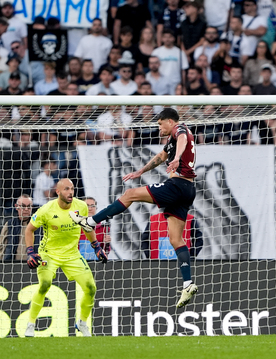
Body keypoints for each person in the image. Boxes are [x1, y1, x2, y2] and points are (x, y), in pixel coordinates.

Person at [70, 108, 199, 308]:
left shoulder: (180, 129)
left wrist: (176, 158)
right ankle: (188, 283)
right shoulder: (172, 141)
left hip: (177, 185)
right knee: (175, 239)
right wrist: (140, 171)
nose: (158, 127)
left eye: (160, 123)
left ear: (170, 122)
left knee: (130, 195)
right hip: (188, 189)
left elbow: (182, 139)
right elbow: (160, 157)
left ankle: (90, 222)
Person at [24, 179, 107, 337]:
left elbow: (86, 226)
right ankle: (31, 324)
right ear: (58, 191)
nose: (71, 192)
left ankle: (82, 323)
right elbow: (29, 230)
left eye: (73, 189)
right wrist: (30, 251)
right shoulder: (46, 210)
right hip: (49, 253)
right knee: (45, 285)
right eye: (67, 189)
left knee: (91, 288)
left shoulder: (81, 206)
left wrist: (96, 246)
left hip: (72, 255)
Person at [0, 195, 41, 262]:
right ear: (16, 207)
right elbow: (1, 246)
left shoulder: (39, 225)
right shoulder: (10, 224)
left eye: (29, 206)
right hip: (12, 264)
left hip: (35, 264)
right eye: (23, 206)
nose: (26, 209)